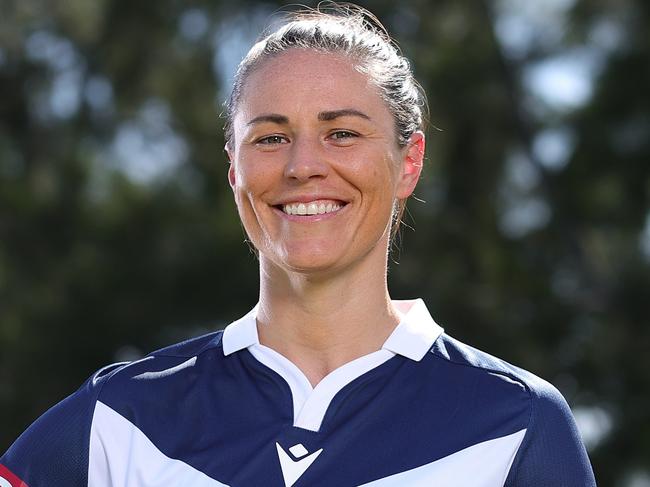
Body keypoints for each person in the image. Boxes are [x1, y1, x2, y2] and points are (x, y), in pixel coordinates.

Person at [1, 4, 596, 486]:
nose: (303, 165)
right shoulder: (120, 417)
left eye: (342, 133)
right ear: (233, 166)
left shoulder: (516, 425)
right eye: (270, 137)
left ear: (408, 162)